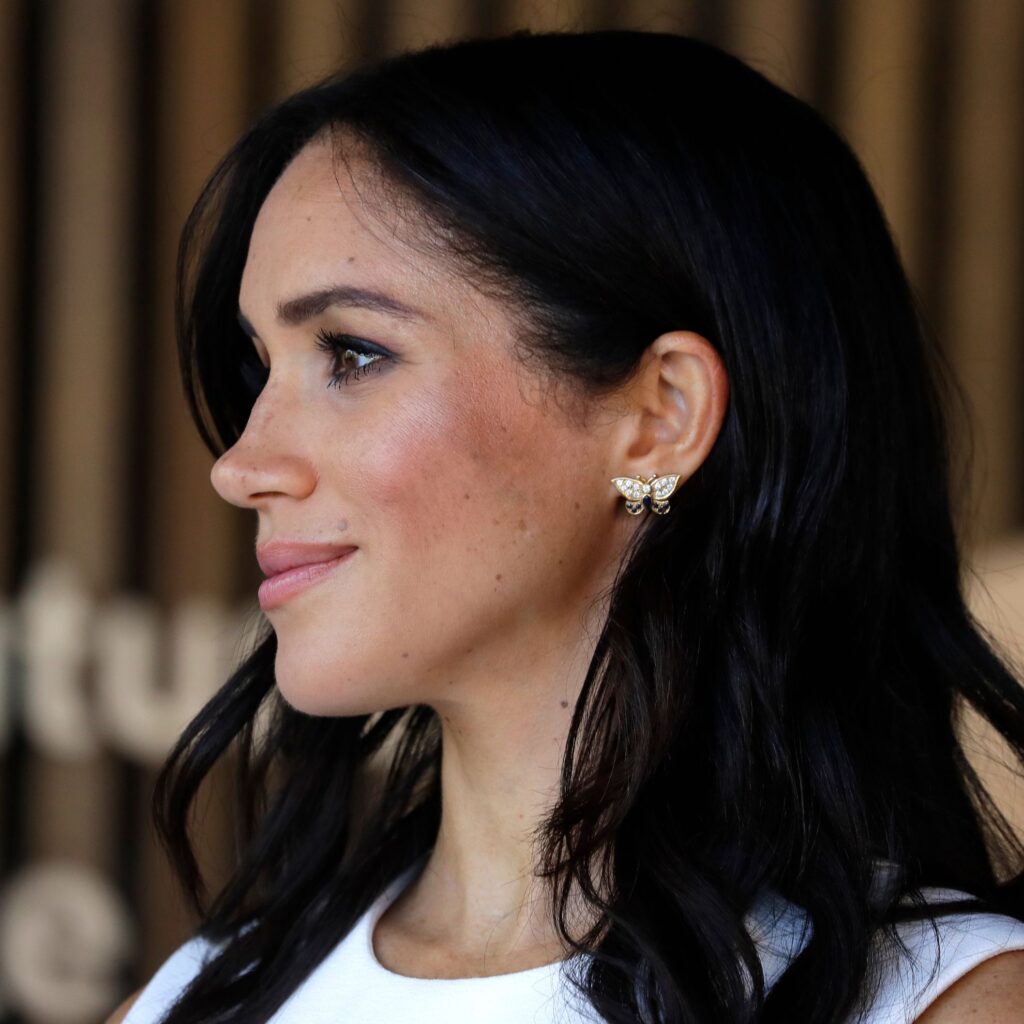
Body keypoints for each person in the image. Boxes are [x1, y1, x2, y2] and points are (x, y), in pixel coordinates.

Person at [108, 28, 1024, 1024]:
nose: (241, 466)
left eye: (354, 354)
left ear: (657, 418)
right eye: (261, 368)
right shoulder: (185, 1002)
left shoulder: (953, 1000)